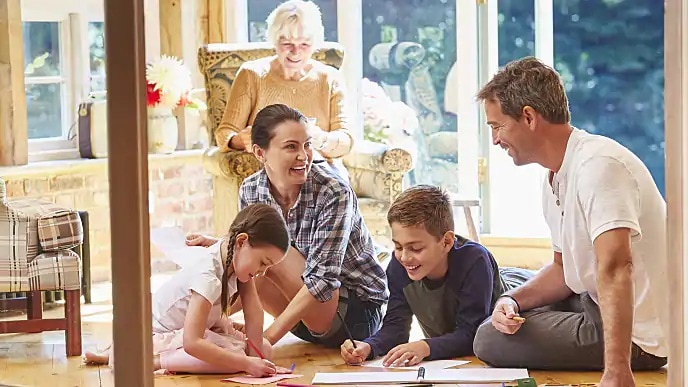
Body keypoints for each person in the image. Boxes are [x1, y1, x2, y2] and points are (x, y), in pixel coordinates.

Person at [471, 57, 669, 386]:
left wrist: (617, 372)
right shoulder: (558, 172)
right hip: (591, 300)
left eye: (497, 126)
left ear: (529, 117)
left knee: (489, 339)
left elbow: (617, 268)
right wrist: (511, 300)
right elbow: (563, 270)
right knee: (508, 298)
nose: (495, 140)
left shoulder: (599, 166)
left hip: (640, 335)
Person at [240, 103, 388, 348]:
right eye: (291, 147)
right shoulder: (251, 189)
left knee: (267, 251)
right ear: (260, 153)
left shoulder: (333, 191)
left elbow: (322, 281)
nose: (303, 155)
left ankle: (254, 340)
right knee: (242, 258)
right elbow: (244, 268)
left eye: (307, 145)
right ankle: (210, 328)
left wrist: (266, 340)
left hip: (354, 317)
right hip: (302, 320)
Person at [84, 204, 293, 376]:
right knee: (234, 357)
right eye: (263, 263)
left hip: (199, 329)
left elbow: (254, 314)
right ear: (242, 241)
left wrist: (258, 362)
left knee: (264, 349)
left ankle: (115, 353)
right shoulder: (208, 275)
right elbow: (192, 343)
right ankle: (152, 360)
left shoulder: (235, 259)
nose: (263, 273)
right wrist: (247, 365)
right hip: (163, 335)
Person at [339, 185, 531, 366]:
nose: (404, 257)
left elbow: (472, 332)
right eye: (398, 246)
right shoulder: (400, 266)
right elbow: (395, 327)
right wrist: (369, 346)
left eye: (415, 248)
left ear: (446, 242)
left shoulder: (474, 260)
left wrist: (425, 346)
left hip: (519, 287)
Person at [216, 0, 353, 179]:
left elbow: (346, 141)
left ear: (315, 43)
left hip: (321, 176)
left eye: (304, 44)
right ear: (274, 40)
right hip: (269, 176)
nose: (296, 52)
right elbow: (224, 134)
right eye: (287, 43)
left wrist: (318, 139)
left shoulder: (330, 78)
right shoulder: (252, 74)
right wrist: (241, 140)